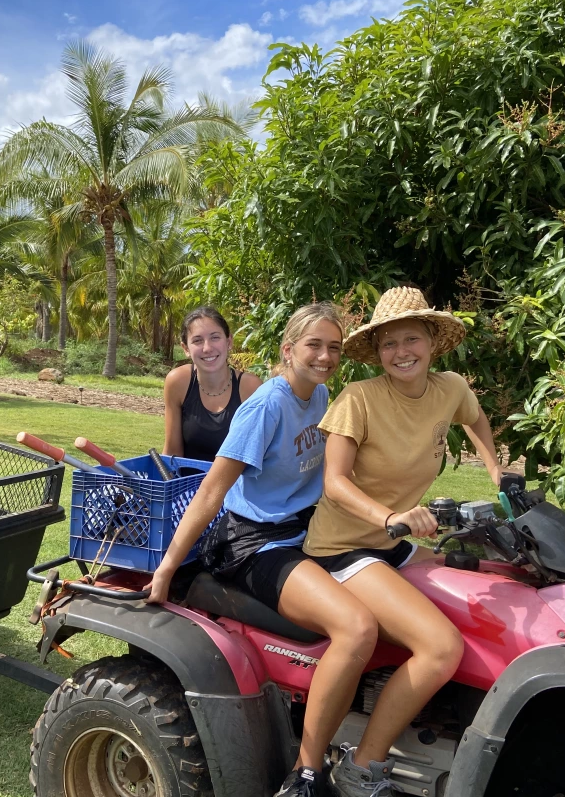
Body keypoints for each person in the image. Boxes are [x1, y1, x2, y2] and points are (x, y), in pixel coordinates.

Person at [149, 302, 384, 797]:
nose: (324, 356)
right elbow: (213, 490)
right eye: (313, 345)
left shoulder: (321, 395)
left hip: (308, 530)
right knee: (356, 626)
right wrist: (168, 568)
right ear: (288, 349)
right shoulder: (265, 405)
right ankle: (305, 774)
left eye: (334, 348)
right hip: (253, 540)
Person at [303, 285, 502, 797]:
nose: (401, 352)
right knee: (440, 647)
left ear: (432, 341)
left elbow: (475, 417)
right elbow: (334, 483)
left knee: (489, 583)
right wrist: (390, 515)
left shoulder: (451, 388)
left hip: (395, 545)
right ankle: (362, 766)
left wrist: (499, 475)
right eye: (389, 344)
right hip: (345, 548)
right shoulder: (359, 399)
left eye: (411, 339)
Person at [163, 306, 260, 461]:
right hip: (187, 484)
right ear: (186, 348)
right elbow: (172, 453)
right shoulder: (178, 381)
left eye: (215, 337)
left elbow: (258, 455)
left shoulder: (250, 387)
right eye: (197, 340)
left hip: (236, 485)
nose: (207, 348)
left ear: (229, 341)